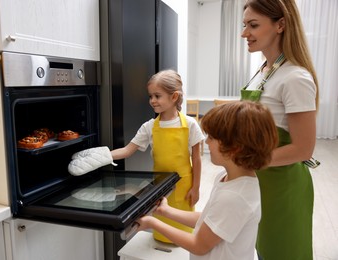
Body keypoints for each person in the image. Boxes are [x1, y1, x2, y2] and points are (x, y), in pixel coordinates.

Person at [136, 101, 279, 259]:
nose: (207, 142)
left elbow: (199, 245)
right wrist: (166, 211)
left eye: (211, 137)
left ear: (234, 147)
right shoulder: (230, 179)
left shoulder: (235, 197)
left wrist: (152, 223)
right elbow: (209, 219)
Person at [241, 0, 319, 259]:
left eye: (253, 25)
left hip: (283, 188)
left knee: (282, 251)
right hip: (261, 182)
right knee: (263, 249)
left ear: (281, 25)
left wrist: (247, 160)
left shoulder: (294, 78)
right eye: (244, 25)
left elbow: (303, 149)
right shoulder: (263, 72)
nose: (244, 33)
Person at [111, 69, 205, 243]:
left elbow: (197, 159)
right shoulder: (149, 127)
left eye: (157, 96)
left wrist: (196, 187)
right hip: (159, 187)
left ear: (174, 96)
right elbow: (126, 151)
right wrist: (101, 156)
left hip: (184, 187)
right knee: (161, 224)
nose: (152, 101)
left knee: (182, 230)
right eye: (150, 96)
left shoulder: (190, 124)